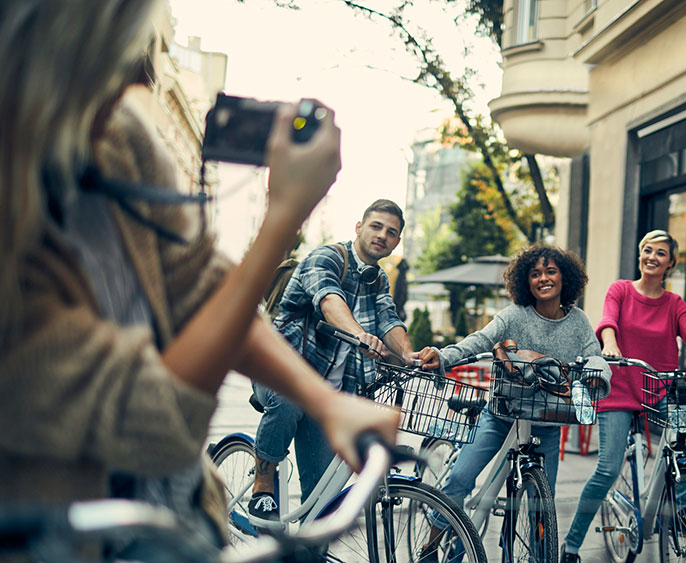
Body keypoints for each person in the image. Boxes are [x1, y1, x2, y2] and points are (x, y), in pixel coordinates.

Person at [0, 0, 398, 546]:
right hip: (62, 535)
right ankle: (261, 478)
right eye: (110, 60)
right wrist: (283, 219)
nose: (136, 81)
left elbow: (205, 288)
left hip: (178, 517)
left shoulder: (116, 133)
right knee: (279, 415)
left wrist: (331, 403)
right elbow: (151, 421)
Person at [559, 229, 686, 563]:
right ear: (640, 254)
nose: (652, 257)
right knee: (608, 470)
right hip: (620, 392)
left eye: (660, 253)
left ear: (671, 263)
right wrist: (609, 343)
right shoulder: (621, 290)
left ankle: (680, 507)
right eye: (647, 250)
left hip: (657, 392)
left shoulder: (674, 304)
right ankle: (571, 545)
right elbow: (608, 318)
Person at [417, 243, 611, 533]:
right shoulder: (515, 314)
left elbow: (594, 353)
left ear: (564, 278)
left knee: (542, 505)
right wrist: (443, 356)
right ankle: (430, 545)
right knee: (460, 479)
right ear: (526, 281)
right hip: (501, 417)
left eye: (550, 271)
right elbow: (480, 340)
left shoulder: (579, 321)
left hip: (547, 422)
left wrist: (598, 374)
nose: (543, 278)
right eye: (535, 273)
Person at [250, 199, 416, 517]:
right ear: (359, 227)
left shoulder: (378, 279)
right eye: (376, 226)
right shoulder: (327, 257)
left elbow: (388, 319)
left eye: (391, 232)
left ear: (396, 242)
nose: (382, 235)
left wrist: (409, 354)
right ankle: (263, 481)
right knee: (288, 399)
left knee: (322, 501)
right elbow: (329, 300)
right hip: (280, 371)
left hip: (327, 395)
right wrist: (358, 334)